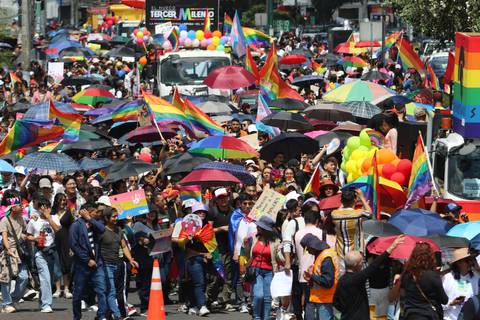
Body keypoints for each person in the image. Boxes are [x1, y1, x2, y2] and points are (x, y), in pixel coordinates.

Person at [333, 235, 405, 320]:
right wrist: (392, 246)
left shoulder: (341, 280)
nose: (362, 264)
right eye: (361, 262)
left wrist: (348, 310)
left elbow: (336, 302)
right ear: (355, 265)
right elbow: (374, 266)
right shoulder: (357, 279)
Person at [390, 242, 448, 320]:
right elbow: (444, 300)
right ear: (430, 256)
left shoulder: (406, 275)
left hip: (409, 315)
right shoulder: (432, 276)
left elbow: (399, 295)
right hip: (427, 315)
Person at [69, 202, 107, 320]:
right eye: (94, 212)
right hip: (82, 265)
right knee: (78, 293)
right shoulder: (76, 225)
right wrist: (87, 260)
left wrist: (90, 219)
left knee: (102, 290)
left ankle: (101, 316)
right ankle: (77, 316)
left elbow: (102, 229)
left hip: (97, 263)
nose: (97, 214)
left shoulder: (94, 222)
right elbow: (74, 245)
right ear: (86, 211)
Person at [100, 206, 139, 320]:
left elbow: (124, 246)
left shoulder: (119, 230)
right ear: (106, 218)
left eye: (117, 216)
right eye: (113, 216)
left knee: (117, 291)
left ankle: (107, 315)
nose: (116, 218)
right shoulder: (101, 230)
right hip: (106, 264)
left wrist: (131, 259)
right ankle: (117, 316)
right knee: (111, 291)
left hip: (118, 263)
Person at [25, 195, 61, 313]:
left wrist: (48, 218)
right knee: (45, 278)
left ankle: (42, 301)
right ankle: (46, 304)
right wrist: (34, 239)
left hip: (52, 251)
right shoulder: (33, 221)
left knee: (49, 279)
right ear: (38, 208)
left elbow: (58, 230)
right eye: (42, 208)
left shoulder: (55, 218)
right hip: (40, 252)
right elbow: (27, 235)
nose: (45, 210)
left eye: (47, 207)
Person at [245, 215, 283, 320]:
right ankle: (257, 317)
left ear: (265, 229)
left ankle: (265, 317)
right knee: (258, 296)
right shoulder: (254, 237)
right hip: (255, 270)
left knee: (267, 297)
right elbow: (249, 255)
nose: (257, 228)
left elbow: (280, 258)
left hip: (269, 271)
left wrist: (284, 250)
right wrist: (246, 246)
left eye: (260, 226)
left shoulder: (275, 241)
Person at [0, 190, 28, 313]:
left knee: (24, 277)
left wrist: (26, 236)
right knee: (6, 278)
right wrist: (9, 250)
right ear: (12, 208)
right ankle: (6, 304)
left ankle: (14, 299)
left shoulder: (21, 218)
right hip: (7, 252)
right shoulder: (4, 221)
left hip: (19, 251)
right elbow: (5, 238)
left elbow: (23, 233)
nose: (22, 207)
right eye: (19, 205)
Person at [331, 189, 371, 270]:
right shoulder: (358, 213)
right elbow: (369, 213)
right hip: (356, 255)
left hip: (340, 255)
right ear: (355, 199)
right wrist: (362, 197)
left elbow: (341, 209)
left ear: (341, 200)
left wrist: (344, 200)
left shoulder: (334, 214)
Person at [301, 233, 338, 320]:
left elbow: (328, 282)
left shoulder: (326, 257)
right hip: (321, 299)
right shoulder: (320, 255)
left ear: (312, 246)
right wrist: (311, 277)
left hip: (325, 299)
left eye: (307, 249)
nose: (308, 252)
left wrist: (312, 276)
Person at [185, 203, 212, 316]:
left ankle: (193, 305)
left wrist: (209, 254)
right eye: (198, 212)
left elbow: (212, 244)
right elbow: (186, 249)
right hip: (193, 259)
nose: (201, 213)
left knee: (200, 283)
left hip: (206, 259)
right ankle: (202, 306)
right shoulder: (187, 226)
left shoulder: (208, 227)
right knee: (199, 282)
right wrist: (188, 239)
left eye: (203, 212)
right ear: (193, 214)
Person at [442, 247, 480, 320]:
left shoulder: (476, 278)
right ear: (458, 263)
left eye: (471, 260)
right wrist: (451, 303)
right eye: (467, 261)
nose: (470, 263)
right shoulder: (447, 278)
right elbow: (439, 303)